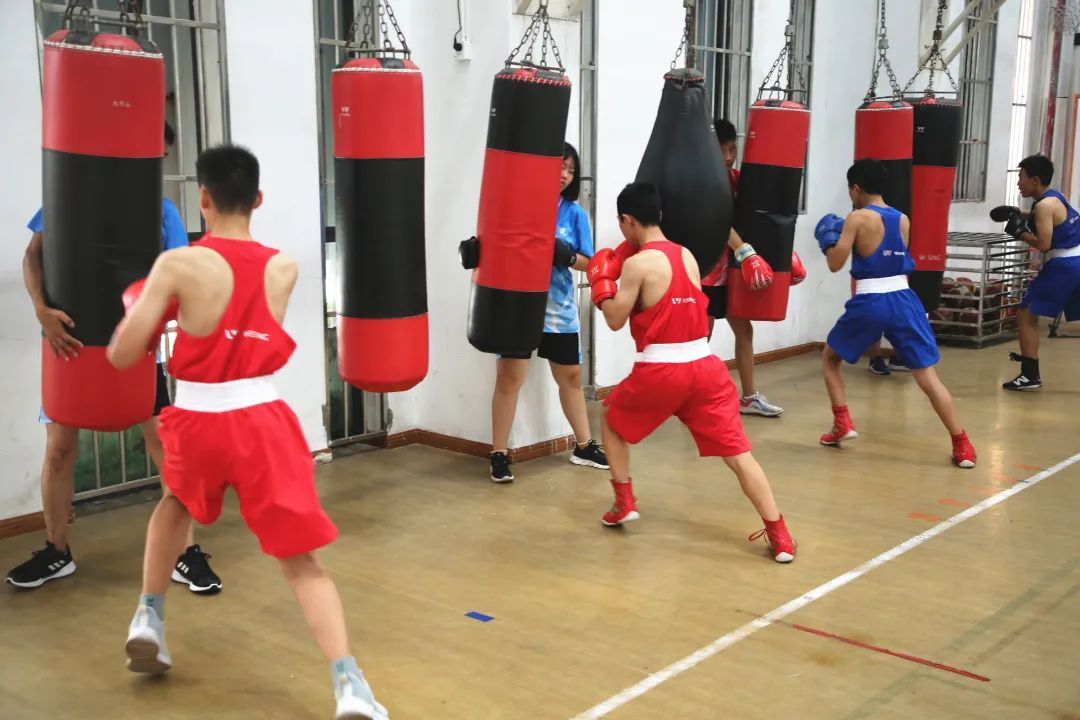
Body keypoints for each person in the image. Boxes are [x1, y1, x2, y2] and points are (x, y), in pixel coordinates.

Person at [107, 145, 386, 720]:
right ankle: (350, 685)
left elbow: (121, 355)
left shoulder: (178, 264)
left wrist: (144, 314)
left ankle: (149, 617)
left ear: (202, 198)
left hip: (196, 418)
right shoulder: (283, 267)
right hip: (259, 419)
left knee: (175, 505)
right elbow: (251, 332)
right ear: (257, 200)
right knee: (301, 560)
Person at [5, 123, 222, 594]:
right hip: (68, 347)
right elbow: (33, 255)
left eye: (160, 157)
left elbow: (178, 274)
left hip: (137, 350)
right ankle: (56, 550)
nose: (152, 164)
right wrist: (41, 310)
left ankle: (184, 552)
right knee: (58, 450)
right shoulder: (67, 199)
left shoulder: (160, 211)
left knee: (167, 448)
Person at [586, 181, 796, 563]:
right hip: (706, 369)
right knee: (739, 454)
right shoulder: (687, 255)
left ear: (627, 220)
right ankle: (779, 534)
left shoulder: (637, 264)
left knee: (610, 420)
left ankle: (624, 501)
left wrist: (600, 287)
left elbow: (615, 319)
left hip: (662, 370)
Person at [815, 159, 977, 468]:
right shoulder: (902, 219)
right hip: (904, 299)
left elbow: (835, 264)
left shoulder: (857, 218)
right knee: (927, 376)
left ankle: (842, 422)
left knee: (830, 358)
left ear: (856, 188)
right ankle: (962, 444)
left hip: (870, 300)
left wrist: (828, 241)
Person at [488, 142, 609, 483]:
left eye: (571, 170)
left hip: (558, 308)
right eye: (560, 166)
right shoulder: (517, 204)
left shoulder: (574, 213)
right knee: (510, 378)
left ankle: (583, 446)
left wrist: (567, 255)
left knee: (570, 376)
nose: (565, 175)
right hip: (517, 306)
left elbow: (589, 262)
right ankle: (499, 453)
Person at [699, 119, 807, 417]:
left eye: (733, 149)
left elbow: (756, 221)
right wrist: (746, 253)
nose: (729, 156)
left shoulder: (738, 180)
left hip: (734, 272)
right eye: (722, 150)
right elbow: (718, 222)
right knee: (700, 338)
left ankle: (748, 397)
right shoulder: (705, 183)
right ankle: (693, 399)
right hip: (707, 272)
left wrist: (779, 255)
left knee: (744, 331)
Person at [996, 154, 1080, 390]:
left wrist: (1020, 233)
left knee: (1026, 314)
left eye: (1021, 177)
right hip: (1075, 260)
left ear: (1034, 180)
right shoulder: (1054, 198)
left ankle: (1029, 376)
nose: (1018, 183)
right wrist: (1017, 214)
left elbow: (1043, 244)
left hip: (1065, 264)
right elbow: (1050, 219)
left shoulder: (1043, 206)